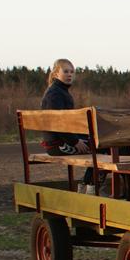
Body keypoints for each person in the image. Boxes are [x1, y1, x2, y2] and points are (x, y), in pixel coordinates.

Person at [40, 58, 95, 190]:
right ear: (55, 74)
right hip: (58, 145)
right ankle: (91, 187)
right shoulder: (55, 94)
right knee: (103, 147)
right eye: (65, 71)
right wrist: (75, 141)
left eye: (72, 72)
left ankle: (87, 184)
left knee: (97, 142)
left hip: (58, 142)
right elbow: (57, 123)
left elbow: (66, 123)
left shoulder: (59, 91)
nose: (70, 74)